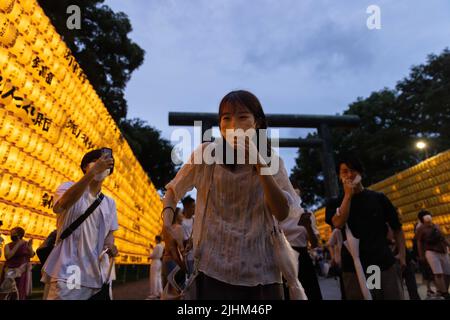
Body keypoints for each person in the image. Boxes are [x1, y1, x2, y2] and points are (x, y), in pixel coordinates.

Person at [162, 90, 302, 300]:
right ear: (220, 126)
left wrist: (258, 161)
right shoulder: (206, 154)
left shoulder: (272, 161)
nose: (233, 124)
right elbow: (173, 190)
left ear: (257, 123)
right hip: (212, 269)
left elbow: (282, 212)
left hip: (262, 272)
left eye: (243, 117)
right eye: (226, 118)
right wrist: (166, 228)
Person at [41, 148, 119, 300]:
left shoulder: (110, 203)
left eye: (106, 164)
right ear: (85, 167)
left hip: (97, 275)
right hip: (68, 270)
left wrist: (110, 246)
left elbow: (109, 235)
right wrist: (92, 174)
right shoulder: (67, 187)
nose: (101, 166)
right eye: (96, 162)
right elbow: (61, 205)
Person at [325, 154, 406, 300]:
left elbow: (397, 227)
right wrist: (348, 196)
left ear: (360, 173)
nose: (350, 175)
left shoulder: (378, 198)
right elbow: (338, 222)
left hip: (383, 263)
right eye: (345, 171)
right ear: (339, 176)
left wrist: (402, 255)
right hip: (353, 268)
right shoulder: (334, 203)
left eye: (353, 170)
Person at [281, 189, 322, 300]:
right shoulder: (276, 213)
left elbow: (314, 244)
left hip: (302, 258)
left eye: (296, 194)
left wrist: (308, 226)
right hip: (283, 258)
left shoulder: (305, 213)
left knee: (308, 293)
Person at [416, 210, 450, 299]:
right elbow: (419, 242)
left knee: (447, 273)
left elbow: (443, 238)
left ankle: (443, 290)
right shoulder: (421, 228)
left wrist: (448, 245)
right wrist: (421, 255)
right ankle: (445, 293)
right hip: (431, 252)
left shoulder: (436, 226)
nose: (428, 216)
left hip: (443, 251)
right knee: (438, 273)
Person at [0, 227, 35, 299]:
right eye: (11, 234)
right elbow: (8, 256)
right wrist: (18, 244)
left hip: (22, 270)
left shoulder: (26, 244)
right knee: (8, 290)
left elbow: (31, 255)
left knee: (20, 289)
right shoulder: (8, 245)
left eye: (14, 234)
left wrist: (30, 247)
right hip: (10, 270)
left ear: (20, 235)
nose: (12, 236)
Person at [161, 208, 185, 293]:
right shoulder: (178, 228)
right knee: (178, 292)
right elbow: (177, 251)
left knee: (167, 291)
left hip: (165, 261)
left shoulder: (165, 228)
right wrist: (184, 267)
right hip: (174, 262)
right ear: (176, 215)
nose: (182, 215)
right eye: (181, 213)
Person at [413, 221, 436, 298]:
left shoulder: (421, 236)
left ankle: (434, 289)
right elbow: (415, 249)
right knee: (427, 274)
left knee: (431, 274)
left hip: (427, 256)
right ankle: (429, 289)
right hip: (422, 258)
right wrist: (419, 257)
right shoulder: (416, 238)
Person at [328, 227, 346, 300]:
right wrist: (333, 257)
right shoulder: (337, 230)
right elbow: (330, 244)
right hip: (342, 262)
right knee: (344, 286)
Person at [181, 196, 195, 276]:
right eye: (193, 206)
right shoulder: (181, 222)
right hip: (187, 256)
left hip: (196, 255)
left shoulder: (195, 219)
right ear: (187, 207)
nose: (194, 208)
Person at [147, 235, 164, 299]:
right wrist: (152, 248)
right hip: (159, 262)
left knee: (153, 278)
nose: (155, 240)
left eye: (155, 239)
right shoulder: (161, 246)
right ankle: (160, 292)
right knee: (158, 278)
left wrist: (149, 256)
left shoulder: (157, 246)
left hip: (155, 262)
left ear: (157, 239)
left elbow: (153, 255)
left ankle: (154, 293)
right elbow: (157, 253)